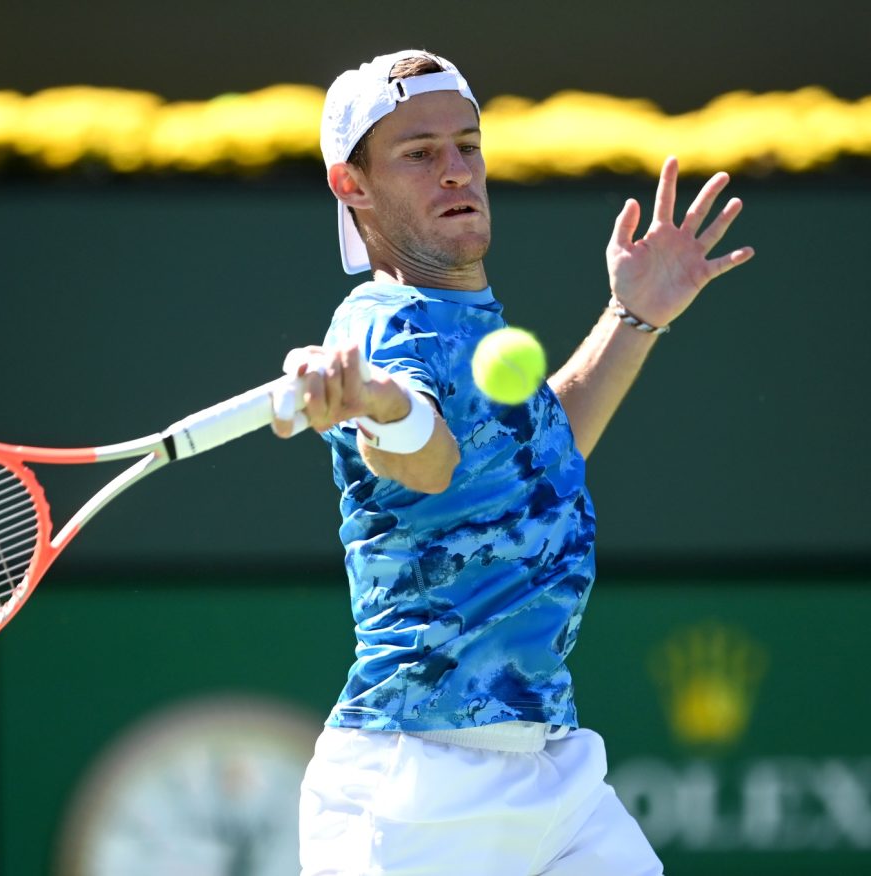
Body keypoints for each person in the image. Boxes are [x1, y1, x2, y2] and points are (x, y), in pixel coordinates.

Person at [271, 49, 754, 876]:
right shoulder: (381, 326)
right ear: (351, 185)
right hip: (415, 784)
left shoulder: (465, 317)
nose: (456, 171)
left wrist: (631, 318)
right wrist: (381, 405)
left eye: (467, 144)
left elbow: (530, 456)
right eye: (419, 154)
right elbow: (428, 460)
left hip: (552, 765)